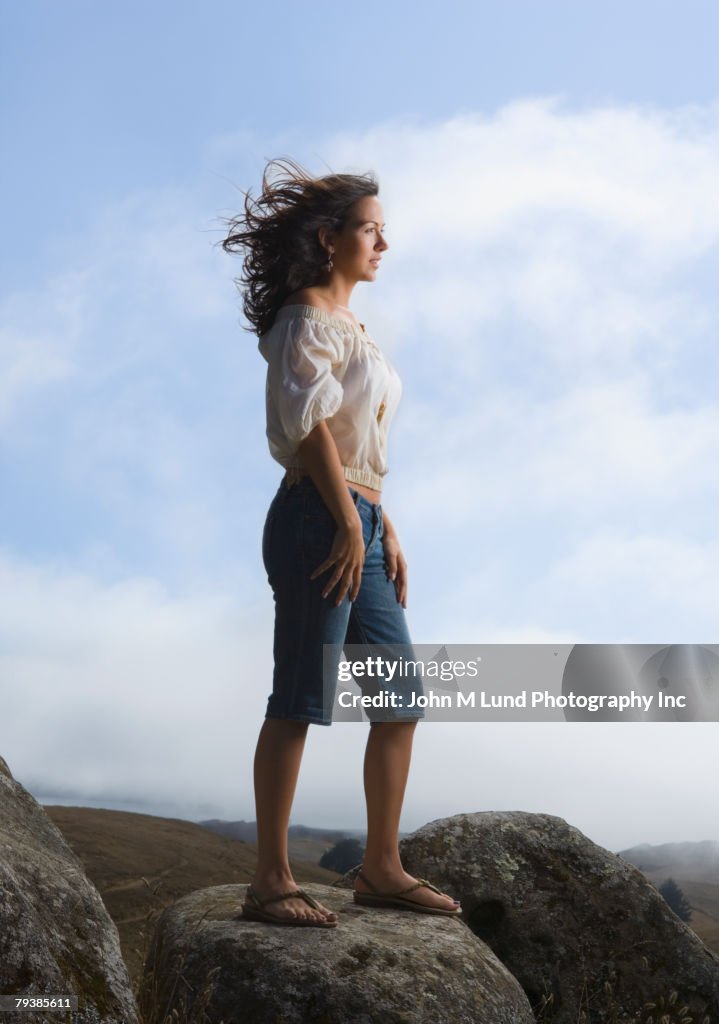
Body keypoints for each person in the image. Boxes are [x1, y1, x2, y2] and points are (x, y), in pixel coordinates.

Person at [221, 158, 461, 927]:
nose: (383, 244)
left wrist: (379, 519)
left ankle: (381, 869)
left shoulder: (356, 328)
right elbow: (310, 427)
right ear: (328, 240)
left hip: (356, 515)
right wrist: (347, 519)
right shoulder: (302, 320)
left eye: (384, 232)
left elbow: (357, 442)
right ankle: (270, 880)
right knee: (299, 697)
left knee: (400, 701)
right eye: (371, 230)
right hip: (315, 520)